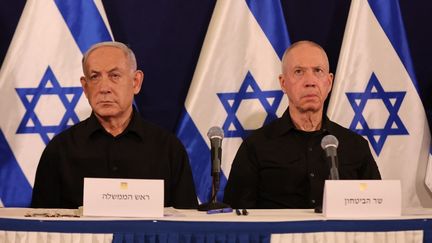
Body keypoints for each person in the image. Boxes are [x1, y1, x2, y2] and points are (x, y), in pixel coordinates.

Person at [31, 41, 198, 209]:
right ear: (85, 87)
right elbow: (41, 227)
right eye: (95, 77)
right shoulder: (60, 150)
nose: (104, 88)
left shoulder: (168, 149)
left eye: (114, 76)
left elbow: (187, 223)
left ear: (136, 82)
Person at [223, 40, 381, 209]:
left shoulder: (355, 146)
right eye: (299, 72)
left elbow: (377, 209)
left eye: (318, 71)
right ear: (283, 83)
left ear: (329, 82)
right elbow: (236, 217)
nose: (310, 81)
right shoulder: (256, 146)